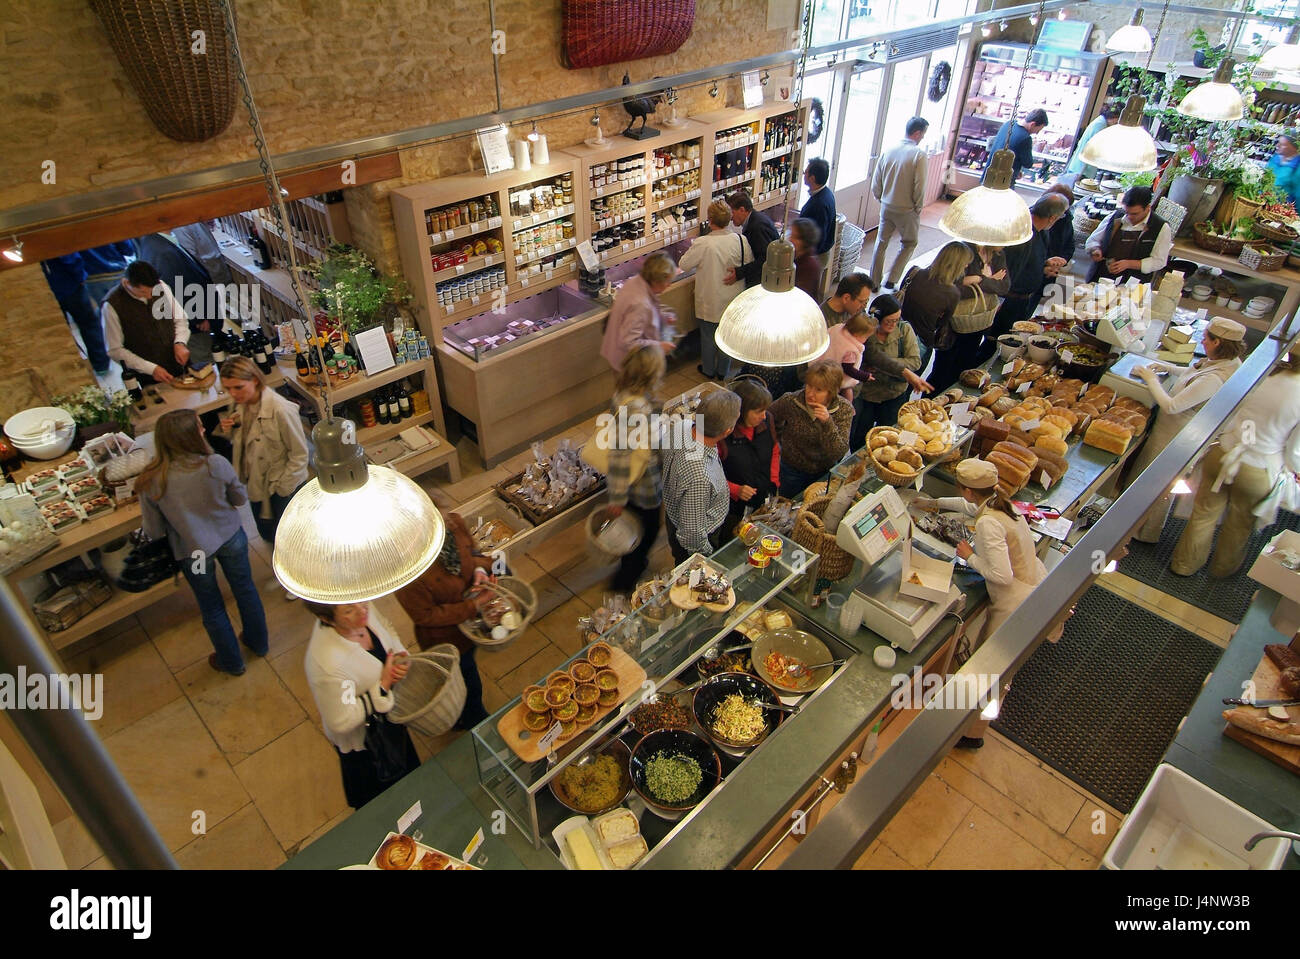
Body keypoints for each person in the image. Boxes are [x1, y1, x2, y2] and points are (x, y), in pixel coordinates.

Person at [916, 458, 1048, 749]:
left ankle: (970, 734)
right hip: (1033, 586)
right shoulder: (1003, 503)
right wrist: (933, 503)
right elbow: (968, 507)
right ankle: (967, 724)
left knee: (991, 674)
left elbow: (1001, 575)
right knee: (994, 672)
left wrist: (968, 554)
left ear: (968, 490)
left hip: (1014, 603)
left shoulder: (988, 522)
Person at [137, 410, 268, 677]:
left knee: (211, 606)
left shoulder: (152, 480)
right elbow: (240, 499)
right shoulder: (215, 464)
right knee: (244, 590)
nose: (204, 431)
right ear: (188, 437)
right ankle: (259, 644)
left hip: (193, 551)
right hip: (231, 538)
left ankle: (232, 662)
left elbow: (154, 530)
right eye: (199, 428)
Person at [1170, 354, 1300, 578]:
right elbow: (1294, 452)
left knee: (1203, 514)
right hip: (1259, 469)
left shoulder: (1266, 375)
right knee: (1239, 525)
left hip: (1223, 453)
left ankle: (1183, 565)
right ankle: (1222, 570)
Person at [1130, 318, 1248, 543]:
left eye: (1206, 338)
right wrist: (1168, 368)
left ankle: (1141, 533)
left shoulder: (1216, 378)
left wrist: (1151, 379)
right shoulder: (1228, 362)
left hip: (1175, 437)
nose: (1202, 341)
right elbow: (1194, 374)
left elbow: (1172, 406)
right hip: (1175, 433)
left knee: (1154, 484)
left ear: (1218, 342)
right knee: (1154, 482)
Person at [302, 600, 420, 809]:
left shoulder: (361, 605)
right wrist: (382, 686)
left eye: (360, 602)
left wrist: (400, 655)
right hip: (368, 742)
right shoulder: (329, 664)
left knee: (409, 779)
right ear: (326, 619)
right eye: (348, 611)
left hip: (389, 721)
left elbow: (387, 628)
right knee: (384, 803)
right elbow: (342, 717)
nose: (362, 610)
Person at [393, 505, 493, 731]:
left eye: (443, 521)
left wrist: (480, 571)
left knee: (470, 670)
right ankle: (471, 719)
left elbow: (472, 553)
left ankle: (471, 712)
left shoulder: (453, 523)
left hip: (470, 626)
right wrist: (474, 605)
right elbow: (425, 616)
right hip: (446, 638)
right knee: (464, 676)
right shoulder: (408, 570)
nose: (446, 526)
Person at [214, 356, 310, 547]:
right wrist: (231, 429)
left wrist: (283, 489)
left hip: (280, 487)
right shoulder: (242, 404)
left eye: (238, 387)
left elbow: (300, 455)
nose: (233, 394)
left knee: (292, 538)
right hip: (256, 482)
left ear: (255, 380)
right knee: (268, 533)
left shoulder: (281, 410)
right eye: (228, 389)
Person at [602, 345, 666, 591]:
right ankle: (624, 583)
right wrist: (616, 498)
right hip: (642, 485)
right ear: (651, 375)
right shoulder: (634, 409)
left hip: (637, 483)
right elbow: (619, 455)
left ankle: (633, 564)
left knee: (639, 529)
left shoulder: (625, 395)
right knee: (645, 532)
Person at [979, 194, 1069, 361]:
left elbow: (1029, 262)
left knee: (1008, 344)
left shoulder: (1041, 233)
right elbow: (1008, 272)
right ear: (1053, 218)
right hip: (1008, 301)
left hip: (1023, 300)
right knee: (993, 345)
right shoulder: (1022, 234)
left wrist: (1044, 266)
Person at [661, 389, 741, 561]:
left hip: (673, 511)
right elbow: (692, 534)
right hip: (696, 540)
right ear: (727, 431)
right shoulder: (700, 477)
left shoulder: (682, 427)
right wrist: (707, 555)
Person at [678, 200, 750, 379]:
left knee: (708, 337)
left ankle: (709, 370)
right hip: (733, 298)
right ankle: (723, 371)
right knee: (726, 336)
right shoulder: (740, 240)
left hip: (711, 300)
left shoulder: (704, 243)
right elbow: (748, 263)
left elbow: (683, 264)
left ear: (710, 220)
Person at [841, 294, 922, 449]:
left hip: (893, 394)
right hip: (867, 395)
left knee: (889, 436)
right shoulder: (865, 330)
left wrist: (881, 365)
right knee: (859, 438)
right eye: (889, 321)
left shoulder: (904, 330)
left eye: (896, 320)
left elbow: (915, 361)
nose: (893, 324)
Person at [769, 360, 853, 498]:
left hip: (824, 472)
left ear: (831, 392)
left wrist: (827, 423)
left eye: (819, 390)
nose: (810, 393)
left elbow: (838, 452)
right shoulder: (790, 401)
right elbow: (769, 416)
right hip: (791, 471)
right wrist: (778, 440)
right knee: (788, 505)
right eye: (809, 386)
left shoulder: (844, 410)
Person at [103, 259, 190, 384]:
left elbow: (180, 319)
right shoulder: (111, 306)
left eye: (152, 291)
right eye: (143, 292)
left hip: (179, 362)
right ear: (126, 283)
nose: (150, 297)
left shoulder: (161, 286)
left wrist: (180, 342)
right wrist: (150, 368)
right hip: (149, 375)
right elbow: (115, 349)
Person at [870, 116, 929, 290]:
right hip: (907, 208)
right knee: (910, 242)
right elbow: (920, 185)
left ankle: (873, 281)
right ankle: (892, 278)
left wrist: (880, 197)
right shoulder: (919, 155)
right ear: (917, 133)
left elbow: (876, 180)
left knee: (881, 242)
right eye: (923, 134)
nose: (923, 138)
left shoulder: (888, 150)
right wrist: (918, 206)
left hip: (886, 205)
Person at [718, 378, 781, 536]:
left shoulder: (767, 421)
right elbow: (710, 475)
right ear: (742, 411)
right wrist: (735, 489)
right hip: (732, 508)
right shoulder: (723, 436)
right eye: (758, 412)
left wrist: (773, 481)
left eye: (765, 410)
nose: (764, 416)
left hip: (762, 499)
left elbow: (774, 449)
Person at [900, 239, 969, 378]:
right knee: (909, 383)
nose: (966, 266)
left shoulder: (914, 272)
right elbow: (942, 323)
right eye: (965, 263)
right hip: (921, 341)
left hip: (898, 333)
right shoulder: (952, 293)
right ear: (957, 265)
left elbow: (901, 297)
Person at [600, 251, 677, 371]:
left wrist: (662, 318)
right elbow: (629, 342)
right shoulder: (640, 303)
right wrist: (659, 346)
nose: (669, 285)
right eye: (667, 281)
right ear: (657, 281)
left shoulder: (636, 281)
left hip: (615, 351)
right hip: (629, 363)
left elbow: (638, 316)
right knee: (634, 390)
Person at [1085, 185, 1172, 285]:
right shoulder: (1116, 217)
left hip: (1134, 283)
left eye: (1135, 214)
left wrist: (1129, 264)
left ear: (1148, 208)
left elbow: (1159, 261)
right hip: (1102, 277)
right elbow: (1093, 240)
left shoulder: (1160, 227)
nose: (1129, 217)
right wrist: (1095, 249)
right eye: (1127, 212)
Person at [40, 253, 111, 373]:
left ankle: (74, 369)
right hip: (71, 287)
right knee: (89, 325)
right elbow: (69, 257)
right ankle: (101, 364)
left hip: (50, 292)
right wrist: (80, 277)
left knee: (61, 333)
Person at [724, 190, 780, 288]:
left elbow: (765, 259)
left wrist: (740, 272)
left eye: (732, 212)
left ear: (742, 210)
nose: (730, 218)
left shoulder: (756, 227)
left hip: (765, 282)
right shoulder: (755, 219)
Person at [1038, 182, 1076, 309]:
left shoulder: (1066, 220)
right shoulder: (1036, 221)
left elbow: (1070, 244)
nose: (1063, 214)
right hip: (1030, 277)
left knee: (1030, 308)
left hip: (1049, 273)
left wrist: (1062, 261)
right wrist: (1045, 264)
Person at [985, 108, 1049, 184]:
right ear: (1033, 124)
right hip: (1003, 182)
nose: (1037, 133)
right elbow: (1028, 163)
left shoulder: (1008, 124)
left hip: (988, 175)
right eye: (1038, 130)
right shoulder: (1025, 138)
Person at [800, 158, 837, 279]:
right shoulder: (826, 193)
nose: (803, 174)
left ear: (812, 178)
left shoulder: (819, 204)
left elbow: (819, 237)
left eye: (806, 172)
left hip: (816, 256)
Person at [1065, 102, 1120, 178]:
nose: (1116, 123)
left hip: (1081, 167)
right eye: (1116, 120)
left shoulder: (1101, 122)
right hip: (1082, 169)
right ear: (1113, 117)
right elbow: (1093, 148)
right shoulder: (1100, 125)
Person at [80, 240, 136, 307]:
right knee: (128, 308)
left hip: (92, 277)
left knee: (106, 310)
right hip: (116, 271)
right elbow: (128, 249)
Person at [789, 217, 823, 301]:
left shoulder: (810, 266)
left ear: (805, 241)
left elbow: (800, 296)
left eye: (795, 237)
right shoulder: (795, 255)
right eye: (791, 235)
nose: (790, 239)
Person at [1266, 132, 1300, 206]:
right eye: (1278, 142)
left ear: (1293, 147)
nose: (1277, 146)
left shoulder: (1297, 166)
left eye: (1283, 145)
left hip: (1281, 208)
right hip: (1263, 200)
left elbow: (1298, 194)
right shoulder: (1275, 158)